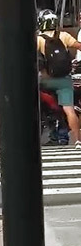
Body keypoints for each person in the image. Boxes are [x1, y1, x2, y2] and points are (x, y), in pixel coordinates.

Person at [37, 9, 81, 148]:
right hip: (64, 79)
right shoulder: (64, 36)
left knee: (39, 104)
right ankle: (77, 140)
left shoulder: (38, 39)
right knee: (69, 109)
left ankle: (49, 126)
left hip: (45, 80)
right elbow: (78, 46)